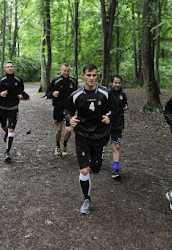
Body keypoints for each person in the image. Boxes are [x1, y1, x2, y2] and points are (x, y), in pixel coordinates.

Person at [64, 63, 114, 215]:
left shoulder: (105, 93)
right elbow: (67, 110)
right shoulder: (76, 95)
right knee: (84, 170)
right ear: (83, 76)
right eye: (89, 75)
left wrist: (109, 117)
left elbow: (114, 109)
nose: (91, 78)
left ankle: (97, 159)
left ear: (97, 76)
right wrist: (70, 119)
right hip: (82, 135)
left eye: (94, 75)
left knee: (96, 169)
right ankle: (87, 199)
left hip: (100, 135)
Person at [0, 61, 24, 162]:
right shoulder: (0, 80)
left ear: (14, 68)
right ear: (5, 69)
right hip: (2, 107)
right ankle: (6, 131)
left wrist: (21, 95)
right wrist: (0, 94)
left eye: (11, 67)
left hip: (14, 108)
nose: (10, 68)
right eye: (8, 67)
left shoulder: (18, 80)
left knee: (11, 129)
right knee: (3, 125)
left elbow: (22, 91)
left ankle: (7, 152)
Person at [46, 63, 78, 157]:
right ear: (61, 70)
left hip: (69, 109)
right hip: (58, 108)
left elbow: (76, 96)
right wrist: (53, 94)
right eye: (64, 71)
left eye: (68, 71)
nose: (66, 72)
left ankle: (64, 143)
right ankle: (57, 145)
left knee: (68, 130)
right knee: (59, 129)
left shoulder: (73, 82)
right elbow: (47, 94)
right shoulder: (55, 81)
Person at [109, 74, 128, 179]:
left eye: (119, 83)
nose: (117, 84)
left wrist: (126, 107)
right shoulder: (107, 94)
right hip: (106, 123)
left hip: (118, 124)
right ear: (111, 83)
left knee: (116, 146)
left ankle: (115, 170)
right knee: (100, 144)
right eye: (115, 82)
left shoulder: (122, 94)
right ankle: (96, 159)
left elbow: (125, 104)